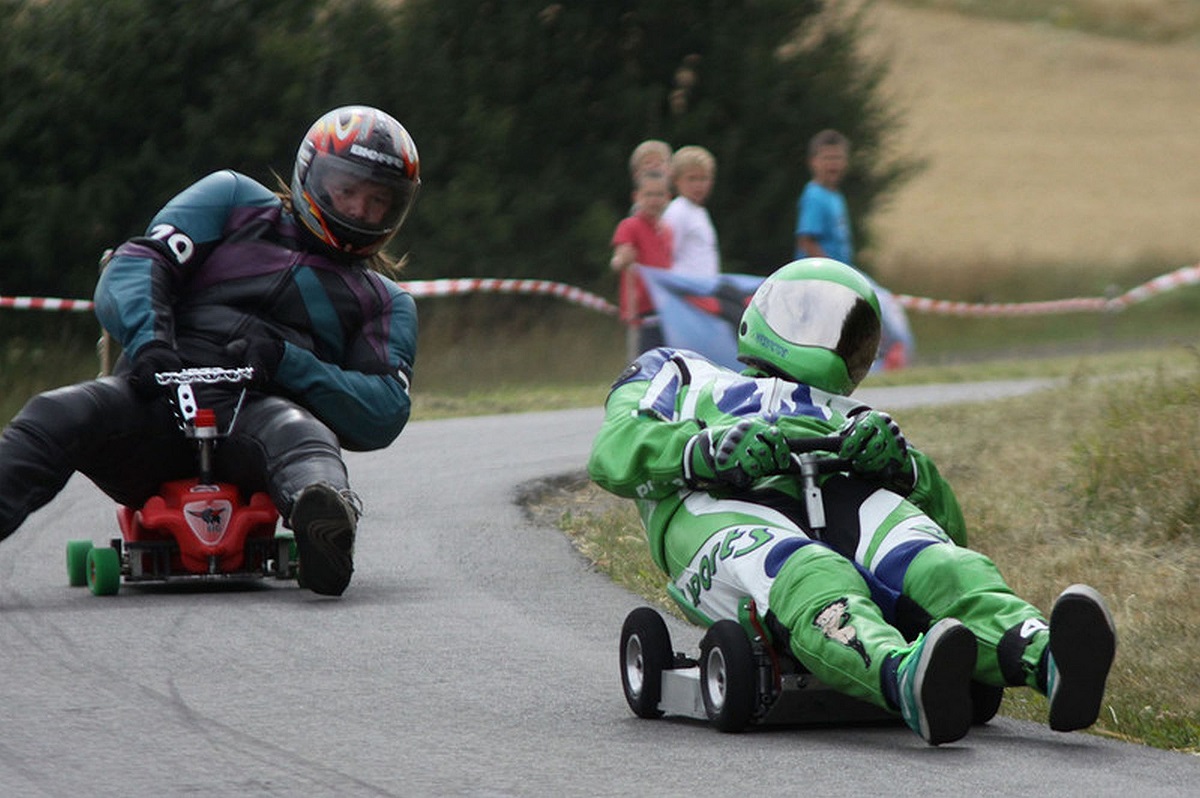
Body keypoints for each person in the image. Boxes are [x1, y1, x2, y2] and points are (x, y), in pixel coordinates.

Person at [587, 257, 1116, 745]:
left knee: (938, 563)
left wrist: (900, 464)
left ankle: (1048, 657)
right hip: (718, 502)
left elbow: (951, 525)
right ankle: (899, 674)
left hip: (838, 497)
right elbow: (613, 450)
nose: (834, 342)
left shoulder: (848, 412)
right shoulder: (677, 372)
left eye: (850, 335)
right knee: (810, 570)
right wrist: (702, 449)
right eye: (816, 322)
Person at [0, 105, 421, 597]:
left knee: (304, 436)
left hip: (260, 418)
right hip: (156, 393)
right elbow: (138, 263)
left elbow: (384, 409)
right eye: (346, 189)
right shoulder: (232, 199)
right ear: (311, 174)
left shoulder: (385, 301)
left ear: (397, 211)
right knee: (57, 410)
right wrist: (151, 341)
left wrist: (289, 362)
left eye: (377, 201)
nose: (356, 211)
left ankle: (325, 523)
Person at [610, 169, 674, 358]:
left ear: (668, 197)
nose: (654, 200)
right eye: (648, 194)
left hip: (664, 308)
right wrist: (622, 259)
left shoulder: (667, 230)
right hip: (640, 311)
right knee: (642, 362)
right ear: (637, 197)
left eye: (659, 194)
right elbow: (619, 258)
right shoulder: (630, 226)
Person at [794, 129, 852, 264]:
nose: (833, 164)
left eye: (838, 158)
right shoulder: (815, 195)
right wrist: (832, 273)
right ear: (813, 162)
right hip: (820, 278)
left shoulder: (836, 196)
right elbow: (807, 241)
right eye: (828, 158)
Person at [662, 145, 720, 278]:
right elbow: (668, 253)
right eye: (692, 179)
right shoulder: (678, 211)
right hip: (687, 288)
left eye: (703, 179)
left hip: (704, 288)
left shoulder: (699, 211)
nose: (698, 185)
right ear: (676, 180)